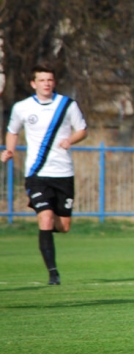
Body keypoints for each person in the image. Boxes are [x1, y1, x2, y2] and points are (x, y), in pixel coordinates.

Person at [1, 66, 88, 285]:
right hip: (37, 173)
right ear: (33, 84)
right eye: (41, 80)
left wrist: (71, 140)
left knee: (64, 226)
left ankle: (45, 223)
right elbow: (13, 131)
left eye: (49, 79)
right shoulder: (22, 107)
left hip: (63, 173)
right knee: (46, 217)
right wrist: (9, 149)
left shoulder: (67, 105)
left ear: (54, 82)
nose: (46, 83)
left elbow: (82, 130)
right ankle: (53, 274)